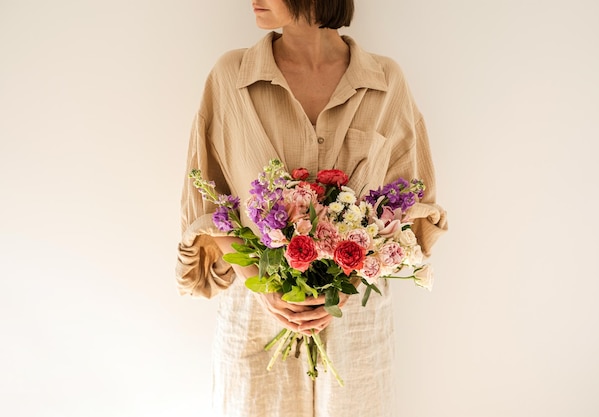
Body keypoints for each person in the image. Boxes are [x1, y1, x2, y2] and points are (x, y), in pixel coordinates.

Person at [176, 1, 447, 416]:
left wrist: (344, 285)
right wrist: (263, 284)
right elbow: (208, 199)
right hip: (257, 313)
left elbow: (412, 203)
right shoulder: (230, 77)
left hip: (354, 314)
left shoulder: (385, 81)